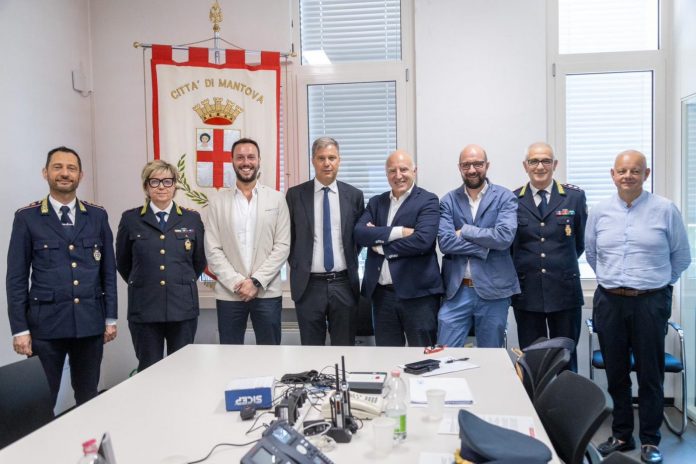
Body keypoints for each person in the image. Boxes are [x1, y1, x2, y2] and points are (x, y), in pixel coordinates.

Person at [587, 150, 690, 464]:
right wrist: (614, 280)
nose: (627, 176)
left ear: (646, 174)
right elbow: (591, 253)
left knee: (650, 374)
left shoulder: (665, 209)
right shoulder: (600, 211)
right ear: (613, 174)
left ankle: (649, 440)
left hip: (650, 302)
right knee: (616, 373)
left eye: (635, 170)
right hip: (609, 301)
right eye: (622, 171)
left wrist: (659, 287)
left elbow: (681, 256)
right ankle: (621, 434)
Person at [6, 146, 117, 408]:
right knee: (41, 403)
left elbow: (108, 272)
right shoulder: (27, 218)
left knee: (88, 398)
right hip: (45, 327)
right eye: (58, 167)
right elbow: (16, 278)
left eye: (71, 168)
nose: (65, 173)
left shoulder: (97, 216)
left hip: (89, 323)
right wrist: (20, 329)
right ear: (45, 173)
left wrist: (110, 318)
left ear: (81, 175)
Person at [115, 160, 206, 372]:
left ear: (175, 185)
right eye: (154, 181)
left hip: (182, 307)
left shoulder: (192, 219)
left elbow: (199, 261)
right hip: (145, 308)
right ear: (146, 186)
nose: (161, 187)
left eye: (167, 181)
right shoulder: (131, 219)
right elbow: (123, 263)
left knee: (182, 369)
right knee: (148, 369)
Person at [204, 138, 290, 345]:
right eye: (240, 157)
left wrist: (256, 282)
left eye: (251, 157)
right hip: (230, 293)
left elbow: (282, 246)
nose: (246, 162)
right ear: (232, 161)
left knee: (270, 353)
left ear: (259, 160)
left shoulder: (277, 199)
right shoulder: (217, 201)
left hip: (267, 292)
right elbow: (213, 248)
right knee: (230, 354)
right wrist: (238, 283)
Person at [511, 142, 587, 371]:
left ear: (555, 164)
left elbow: (580, 243)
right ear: (525, 166)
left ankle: (566, 396)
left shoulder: (574, 197)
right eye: (534, 161)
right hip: (528, 293)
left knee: (565, 358)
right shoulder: (513, 199)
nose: (540, 166)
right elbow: (511, 247)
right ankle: (534, 397)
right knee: (532, 360)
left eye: (546, 160)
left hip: (565, 291)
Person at [354, 150, 443, 347]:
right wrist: (400, 231)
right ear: (386, 174)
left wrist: (381, 246)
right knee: (388, 355)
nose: (398, 175)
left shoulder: (428, 200)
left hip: (418, 296)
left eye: (403, 169)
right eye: (392, 171)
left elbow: (422, 240)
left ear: (414, 171)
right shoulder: (376, 202)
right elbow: (360, 233)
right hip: (382, 295)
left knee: (423, 354)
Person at [437, 144, 518, 348]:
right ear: (459, 167)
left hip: (494, 291)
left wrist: (465, 230)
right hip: (457, 291)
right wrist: (484, 247)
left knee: (491, 355)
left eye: (477, 164)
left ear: (487, 165)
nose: (472, 170)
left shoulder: (505, 197)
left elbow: (504, 237)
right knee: (445, 354)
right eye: (466, 165)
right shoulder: (448, 200)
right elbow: (445, 242)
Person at [286, 137, 364, 345]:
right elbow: (289, 239)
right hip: (308, 286)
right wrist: (301, 264)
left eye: (332, 158)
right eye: (321, 158)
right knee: (311, 350)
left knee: (344, 349)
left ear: (339, 160)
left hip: (343, 284)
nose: (327, 163)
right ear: (313, 161)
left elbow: (358, 240)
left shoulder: (354, 196)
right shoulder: (295, 195)